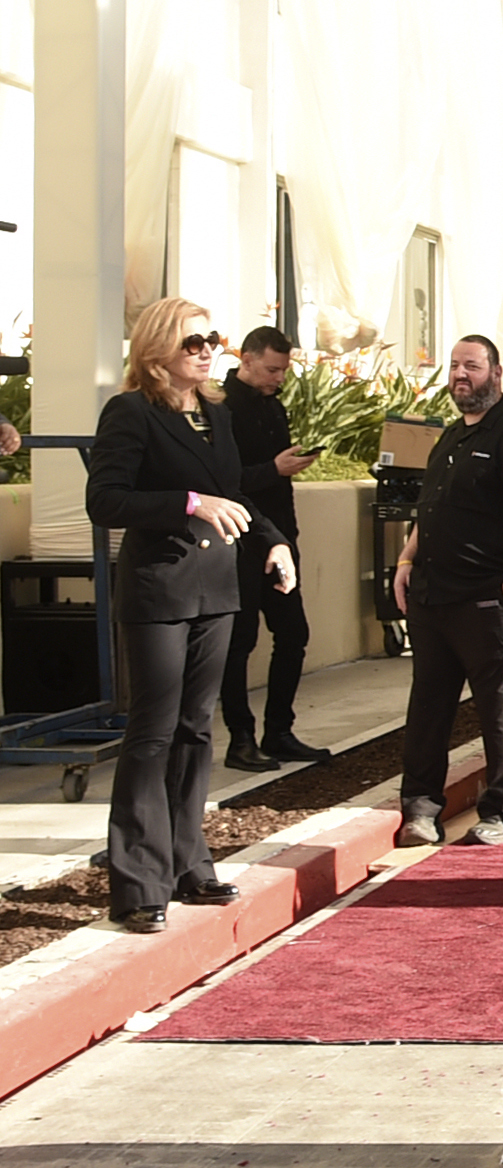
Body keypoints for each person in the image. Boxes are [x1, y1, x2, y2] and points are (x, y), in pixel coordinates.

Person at [86, 299, 297, 932]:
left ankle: (188, 864)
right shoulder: (130, 413)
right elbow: (107, 500)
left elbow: (230, 495)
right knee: (152, 733)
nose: (207, 351)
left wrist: (273, 539)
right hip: (159, 592)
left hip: (218, 589)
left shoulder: (217, 415)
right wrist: (186, 502)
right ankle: (138, 883)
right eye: (192, 342)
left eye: (212, 340)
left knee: (196, 729)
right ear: (157, 351)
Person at [391, 337, 503, 848]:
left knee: (499, 711)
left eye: (473, 366)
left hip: (491, 602)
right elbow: (432, 510)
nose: (462, 374)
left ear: (497, 373)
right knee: (428, 710)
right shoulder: (450, 438)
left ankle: (499, 816)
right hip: (432, 599)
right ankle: (420, 812)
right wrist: (405, 561)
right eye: (455, 366)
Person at [217, 327, 325, 771]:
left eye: (283, 370)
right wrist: (273, 468)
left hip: (280, 536)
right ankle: (240, 737)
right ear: (246, 359)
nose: (279, 378)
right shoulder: (222, 410)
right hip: (238, 541)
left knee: (293, 633)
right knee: (239, 641)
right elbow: (223, 481)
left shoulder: (272, 406)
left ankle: (278, 730)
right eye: (271, 369)